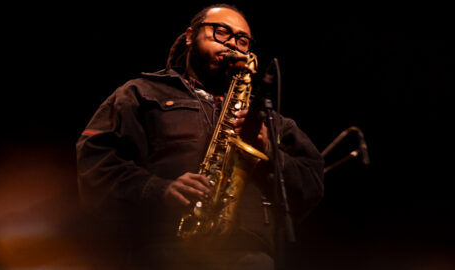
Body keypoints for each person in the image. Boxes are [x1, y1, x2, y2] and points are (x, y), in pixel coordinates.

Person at [75, 3, 324, 270]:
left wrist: (270, 152)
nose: (232, 45)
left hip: (250, 254)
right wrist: (160, 189)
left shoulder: (269, 118)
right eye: (221, 32)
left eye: (242, 40)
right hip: (165, 250)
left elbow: (313, 181)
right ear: (190, 35)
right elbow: (95, 163)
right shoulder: (139, 93)